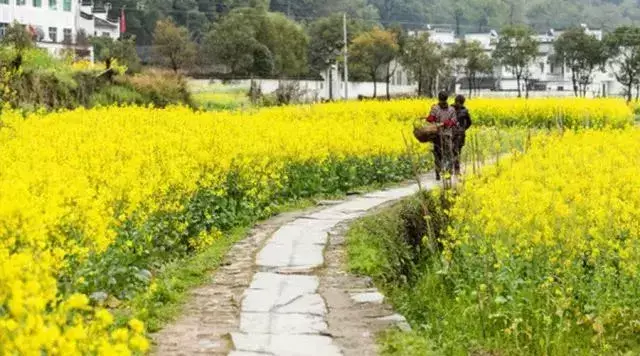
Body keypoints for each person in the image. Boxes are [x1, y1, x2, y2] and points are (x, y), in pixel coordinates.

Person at [426, 91, 457, 181]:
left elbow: (430, 119)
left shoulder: (435, 108)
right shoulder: (451, 109)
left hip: (437, 135)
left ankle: (438, 172)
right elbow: (453, 121)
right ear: (447, 98)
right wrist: (446, 123)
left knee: (437, 154)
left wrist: (435, 121)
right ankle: (447, 172)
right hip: (447, 135)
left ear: (438, 98)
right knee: (448, 154)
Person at [452, 95, 472, 175]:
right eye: (458, 103)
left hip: (460, 135)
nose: (459, 105)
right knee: (451, 151)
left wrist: (463, 129)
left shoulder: (465, 111)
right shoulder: (450, 109)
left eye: (461, 103)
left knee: (457, 152)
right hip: (450, 133)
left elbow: (469, 123)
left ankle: (457, 170)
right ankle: (450, 169)